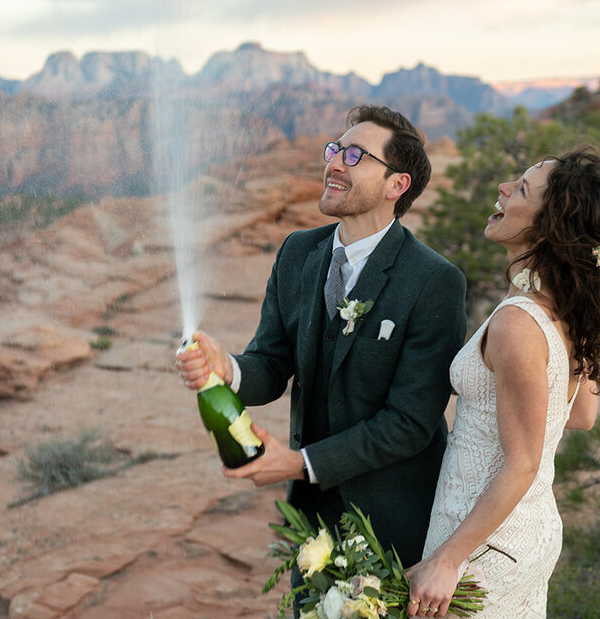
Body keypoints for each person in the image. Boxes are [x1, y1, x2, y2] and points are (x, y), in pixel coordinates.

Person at [176, 104, 467, 567]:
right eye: (335, 149)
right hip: (311, 528)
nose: (332, 163)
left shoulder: (434, 281)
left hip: (395, 527)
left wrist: (300, 463)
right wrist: (225, 367)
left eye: (355, 156)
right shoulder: (297, 252)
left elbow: (410, 423)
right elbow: (270, 365)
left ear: (397, 185)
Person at [405, 148, 600, 619]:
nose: (504, 188)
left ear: (550, 228)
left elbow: (523, 461)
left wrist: (447, 561)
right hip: (524, 530)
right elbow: (582, 416)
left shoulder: (518, 323)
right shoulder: (561, 311)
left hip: (484, 542)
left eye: (523, 188)